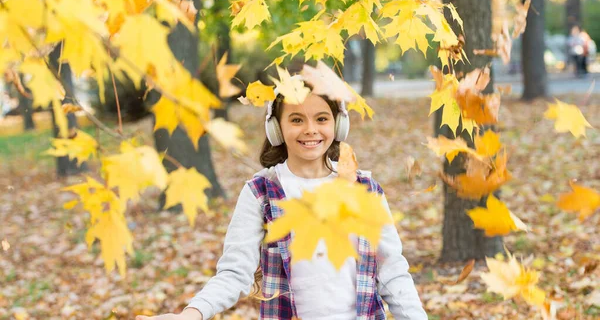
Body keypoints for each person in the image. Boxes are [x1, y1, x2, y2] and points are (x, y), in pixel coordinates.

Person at [137, 78, 427, 320]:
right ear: (276, 128)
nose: (311, 129)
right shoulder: (261, 192)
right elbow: (236, 272)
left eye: (322, 118)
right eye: (297, 119)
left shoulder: (364, 188)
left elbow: (392, 271)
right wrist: (191, 314)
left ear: (338, 125)